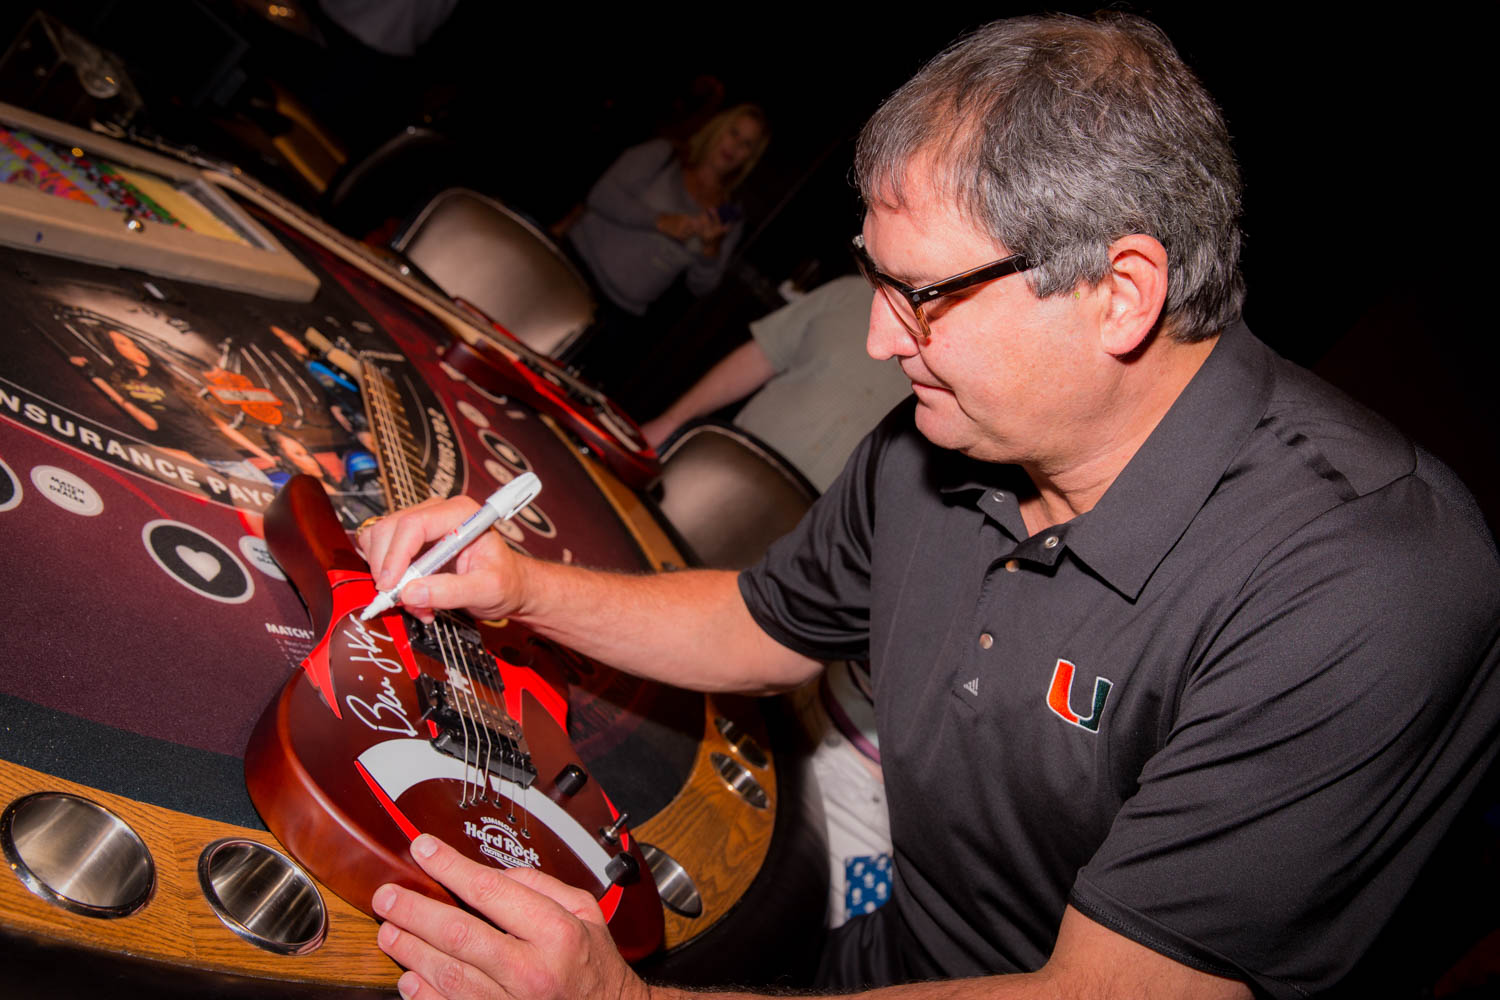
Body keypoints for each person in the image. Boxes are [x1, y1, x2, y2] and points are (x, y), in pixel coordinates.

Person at [354, 13, 1500, 1000]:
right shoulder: (940, 435)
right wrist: (519, 586)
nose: (875, 338)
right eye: (875, 278)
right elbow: (759, 626)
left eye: (922, 295)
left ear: (1119, 294)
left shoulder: (1370, 578)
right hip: (881, 956)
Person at [639, 273, 911, 493]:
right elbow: (760, 356)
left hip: (801, 542)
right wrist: (671, 422)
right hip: (712, 472)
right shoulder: (848, 292)